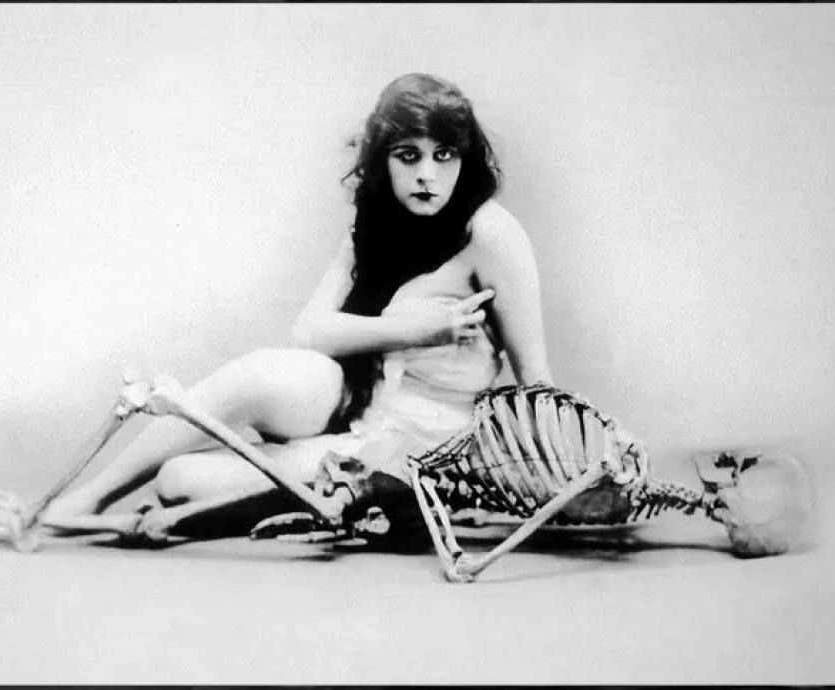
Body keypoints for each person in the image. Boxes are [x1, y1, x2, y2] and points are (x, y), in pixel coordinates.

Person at [40, 73, 553, 538]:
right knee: (264, 371)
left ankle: (323, 486)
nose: (427, 175)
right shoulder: (376, 225)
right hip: (357, 402)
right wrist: (420, 331)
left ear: (465, 158)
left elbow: (536, 381)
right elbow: (310, 331)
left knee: (179, 480)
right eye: (408, 155)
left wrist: (544, 482)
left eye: (444, 155)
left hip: (419, 448)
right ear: (383, 159)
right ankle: (91, 495)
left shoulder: (492, 233)